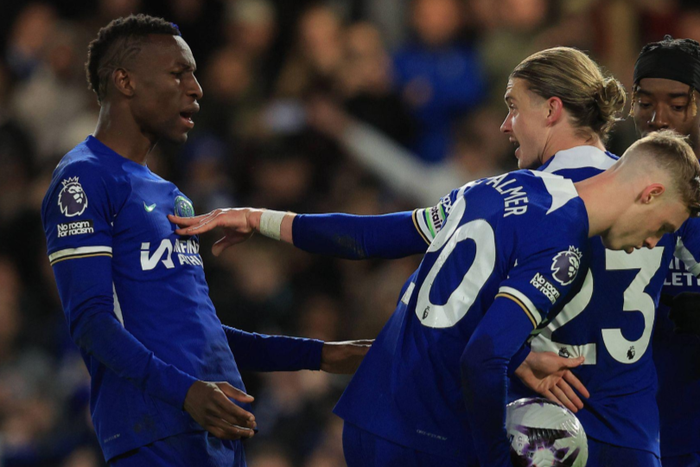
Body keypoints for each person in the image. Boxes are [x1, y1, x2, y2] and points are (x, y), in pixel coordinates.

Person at [171, 47, 700, 467]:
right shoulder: (640, 196)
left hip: (449, 419)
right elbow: (486, 346)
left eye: (512, 107)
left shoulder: (492, 194)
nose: (504, 124)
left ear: (552, 110)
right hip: (616, 428)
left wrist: (258, 218)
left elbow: (374, 238)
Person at [40, 15, 370, 467]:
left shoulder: (170, 194)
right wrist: (186, 392)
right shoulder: (82, 179)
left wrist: (320, 355)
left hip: (215, 427)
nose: (196, 88)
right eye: (179, 73)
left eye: (194, 73)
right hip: (153, 431)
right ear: (125, 81)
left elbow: (201, 333)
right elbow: (91, 322)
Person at [631, 36, 700, 467]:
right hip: (627, 430)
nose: (659, 120)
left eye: (677, 104)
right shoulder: (603, 193)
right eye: (644, 103)